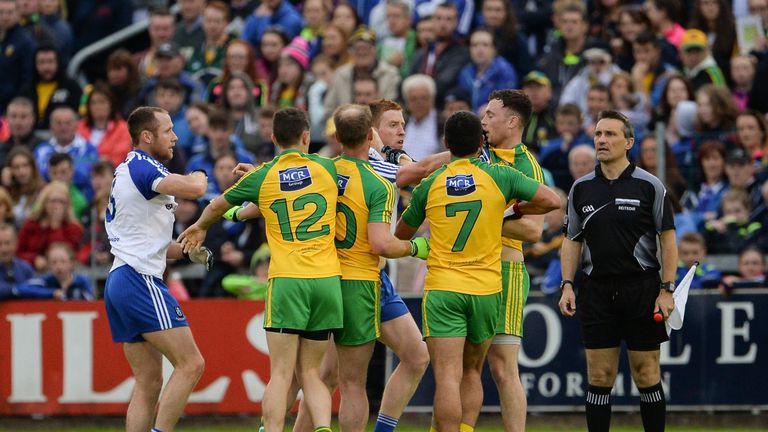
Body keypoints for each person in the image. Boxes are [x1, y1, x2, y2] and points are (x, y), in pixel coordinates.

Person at [394, 111, 560, 431]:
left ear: (445, 143)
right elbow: (551, 200)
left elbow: (402, 234)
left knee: (447, 377)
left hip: (444, 287)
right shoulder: (501, 175)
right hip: (486, 289)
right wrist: (511, 209)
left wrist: (424, 238)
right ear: (481, 141)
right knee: (472, 371)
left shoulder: (431, 183)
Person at [178, 108, 341, 432]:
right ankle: (323, 428)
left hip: (287, 282)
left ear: (273, 137)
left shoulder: (262, 177)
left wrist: (199, 226)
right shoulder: (326, 167)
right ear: (306, 137)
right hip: (326, 280)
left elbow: (216, 205)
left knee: (281, 373)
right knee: (311, 372)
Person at [559, 110, 677, 432]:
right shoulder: (581, 188)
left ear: (629, 142)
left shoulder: (649, 186)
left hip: (642, 288)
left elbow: (667, 240)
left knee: (646, 373)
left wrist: (666, 289)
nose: (601, 140)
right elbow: (571, 241)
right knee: (599, 377)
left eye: (610, 134)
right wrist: (567, 285)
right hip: (596, 290)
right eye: (598, 134)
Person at [103, 106, 210, 432]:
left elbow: (150, 244)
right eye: (167, 130)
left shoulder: (128, 170)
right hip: (139, 281)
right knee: (192, 364)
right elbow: (196, 189)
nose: (175, 136)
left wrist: (188, 253)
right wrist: (201, 173)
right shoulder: (143, 165)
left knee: (148, 382)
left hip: (120, 278)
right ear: (146, 136)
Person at [478, 89, 546, 432]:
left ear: (513, 121)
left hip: (506, 269)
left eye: (490, 114)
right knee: (463, 366)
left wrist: (487, 217)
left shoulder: (526, 165)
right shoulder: (477, 154)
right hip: (467, 268)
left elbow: (533, 231)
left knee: (503, 367)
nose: (483, 120)